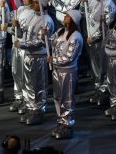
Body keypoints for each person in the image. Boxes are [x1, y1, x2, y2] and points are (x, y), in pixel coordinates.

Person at [17, 0, 54, 125]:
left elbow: (40, 41)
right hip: (29, 54)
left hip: (38, 56)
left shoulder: (47, 20)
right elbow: (27, 31)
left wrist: (22, 44)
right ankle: (30, 107)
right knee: (29, 84)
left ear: (43, 5)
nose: (33, 4)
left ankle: (39, 109)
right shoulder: (33, 16)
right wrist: (17, 27)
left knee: (38, 84)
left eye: (36, 2)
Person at [50, 9, 83, 140]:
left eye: (68, 16)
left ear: (74, 19)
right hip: (57, 71)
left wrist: (54, 60)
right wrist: (44, 35)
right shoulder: (60, 32)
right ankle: (61, 122)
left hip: (68, 71)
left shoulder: (76, 36)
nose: (65, 17)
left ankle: (68, 125)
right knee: (57, 97)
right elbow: (48, 42)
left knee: (67, 99)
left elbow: (70, 57)